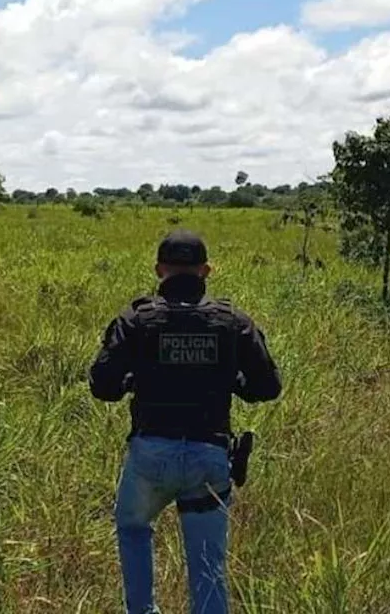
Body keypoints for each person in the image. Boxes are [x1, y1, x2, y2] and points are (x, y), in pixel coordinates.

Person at [89, 229, 282, 614]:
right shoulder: (232, 321)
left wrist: (135, 380)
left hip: (150, 456)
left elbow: (102, 385)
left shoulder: (137, 318)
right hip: (209, 455)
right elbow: (268, 386)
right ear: (206, 271)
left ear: (159, 270)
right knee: (209, 569)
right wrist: (232, 381)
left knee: (132, 528)